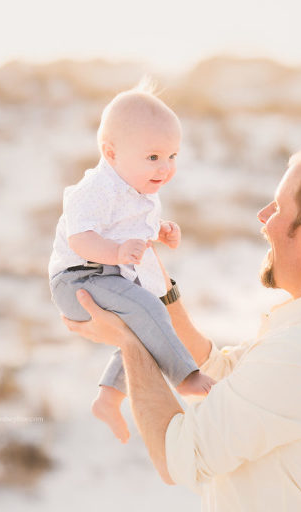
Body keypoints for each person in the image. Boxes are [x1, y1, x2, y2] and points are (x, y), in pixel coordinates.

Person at [64, 147, 301, 511]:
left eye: (277, 208)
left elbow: (176, 456)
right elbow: (223, 377)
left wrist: (129, 342)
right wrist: (160, 294)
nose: (263, 217)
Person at [48, 81, 215, 444]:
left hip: (106, 273)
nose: (166, 168)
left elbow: (136, 228)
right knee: (147, 308)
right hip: (77, 278)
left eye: (173, 156)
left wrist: (161, 232)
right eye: (153, 157)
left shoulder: (140, 189)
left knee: (149, 325)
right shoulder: (94, 190)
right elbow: (81, 239)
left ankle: (109, 398)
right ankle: (186, 377)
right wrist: (117, 253)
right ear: (111, 154)